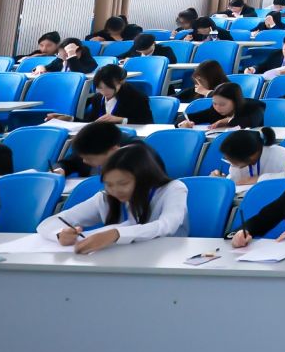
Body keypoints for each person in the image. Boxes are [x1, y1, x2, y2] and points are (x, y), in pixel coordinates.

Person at [39, 142, 186, 252]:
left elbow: (166, 226)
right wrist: (60, 234)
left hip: (166, 260)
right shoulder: (105, 198)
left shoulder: (172, 189)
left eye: (123, 183)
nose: (115, 190)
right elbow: (49, 223)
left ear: (143, 177)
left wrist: (116, 234)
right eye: (109, 184)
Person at [65, 63, 153, 125]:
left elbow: (147, 122)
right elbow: (92, 122)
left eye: (109, 87)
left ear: (121, 82)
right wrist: (71, 119)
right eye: (100, 88)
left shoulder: (137, 98)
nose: (104, 92)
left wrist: (121, 120)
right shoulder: (97, 98)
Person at [55, 120, 139, 177]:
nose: (84, 161)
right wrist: (59, 169)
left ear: (113, 150)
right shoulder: (87, 146)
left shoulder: (136, 152)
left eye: (89, 158)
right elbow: (66, 163)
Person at [210, 126, 285, 186]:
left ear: (251, 157)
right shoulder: (241, 160)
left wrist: (259, 179)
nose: (229, 162)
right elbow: (237, 181)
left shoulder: (280, 154)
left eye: (230, 159)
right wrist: (223, 181)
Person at [181, 80, 263, 130]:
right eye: (214, 103)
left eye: (222, 104)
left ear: (235, 101)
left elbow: (251, 122)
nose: (217, 108)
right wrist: (184, 123)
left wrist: (226, 120)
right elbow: (185, 117)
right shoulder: (214, 110)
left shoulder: (254, 106)